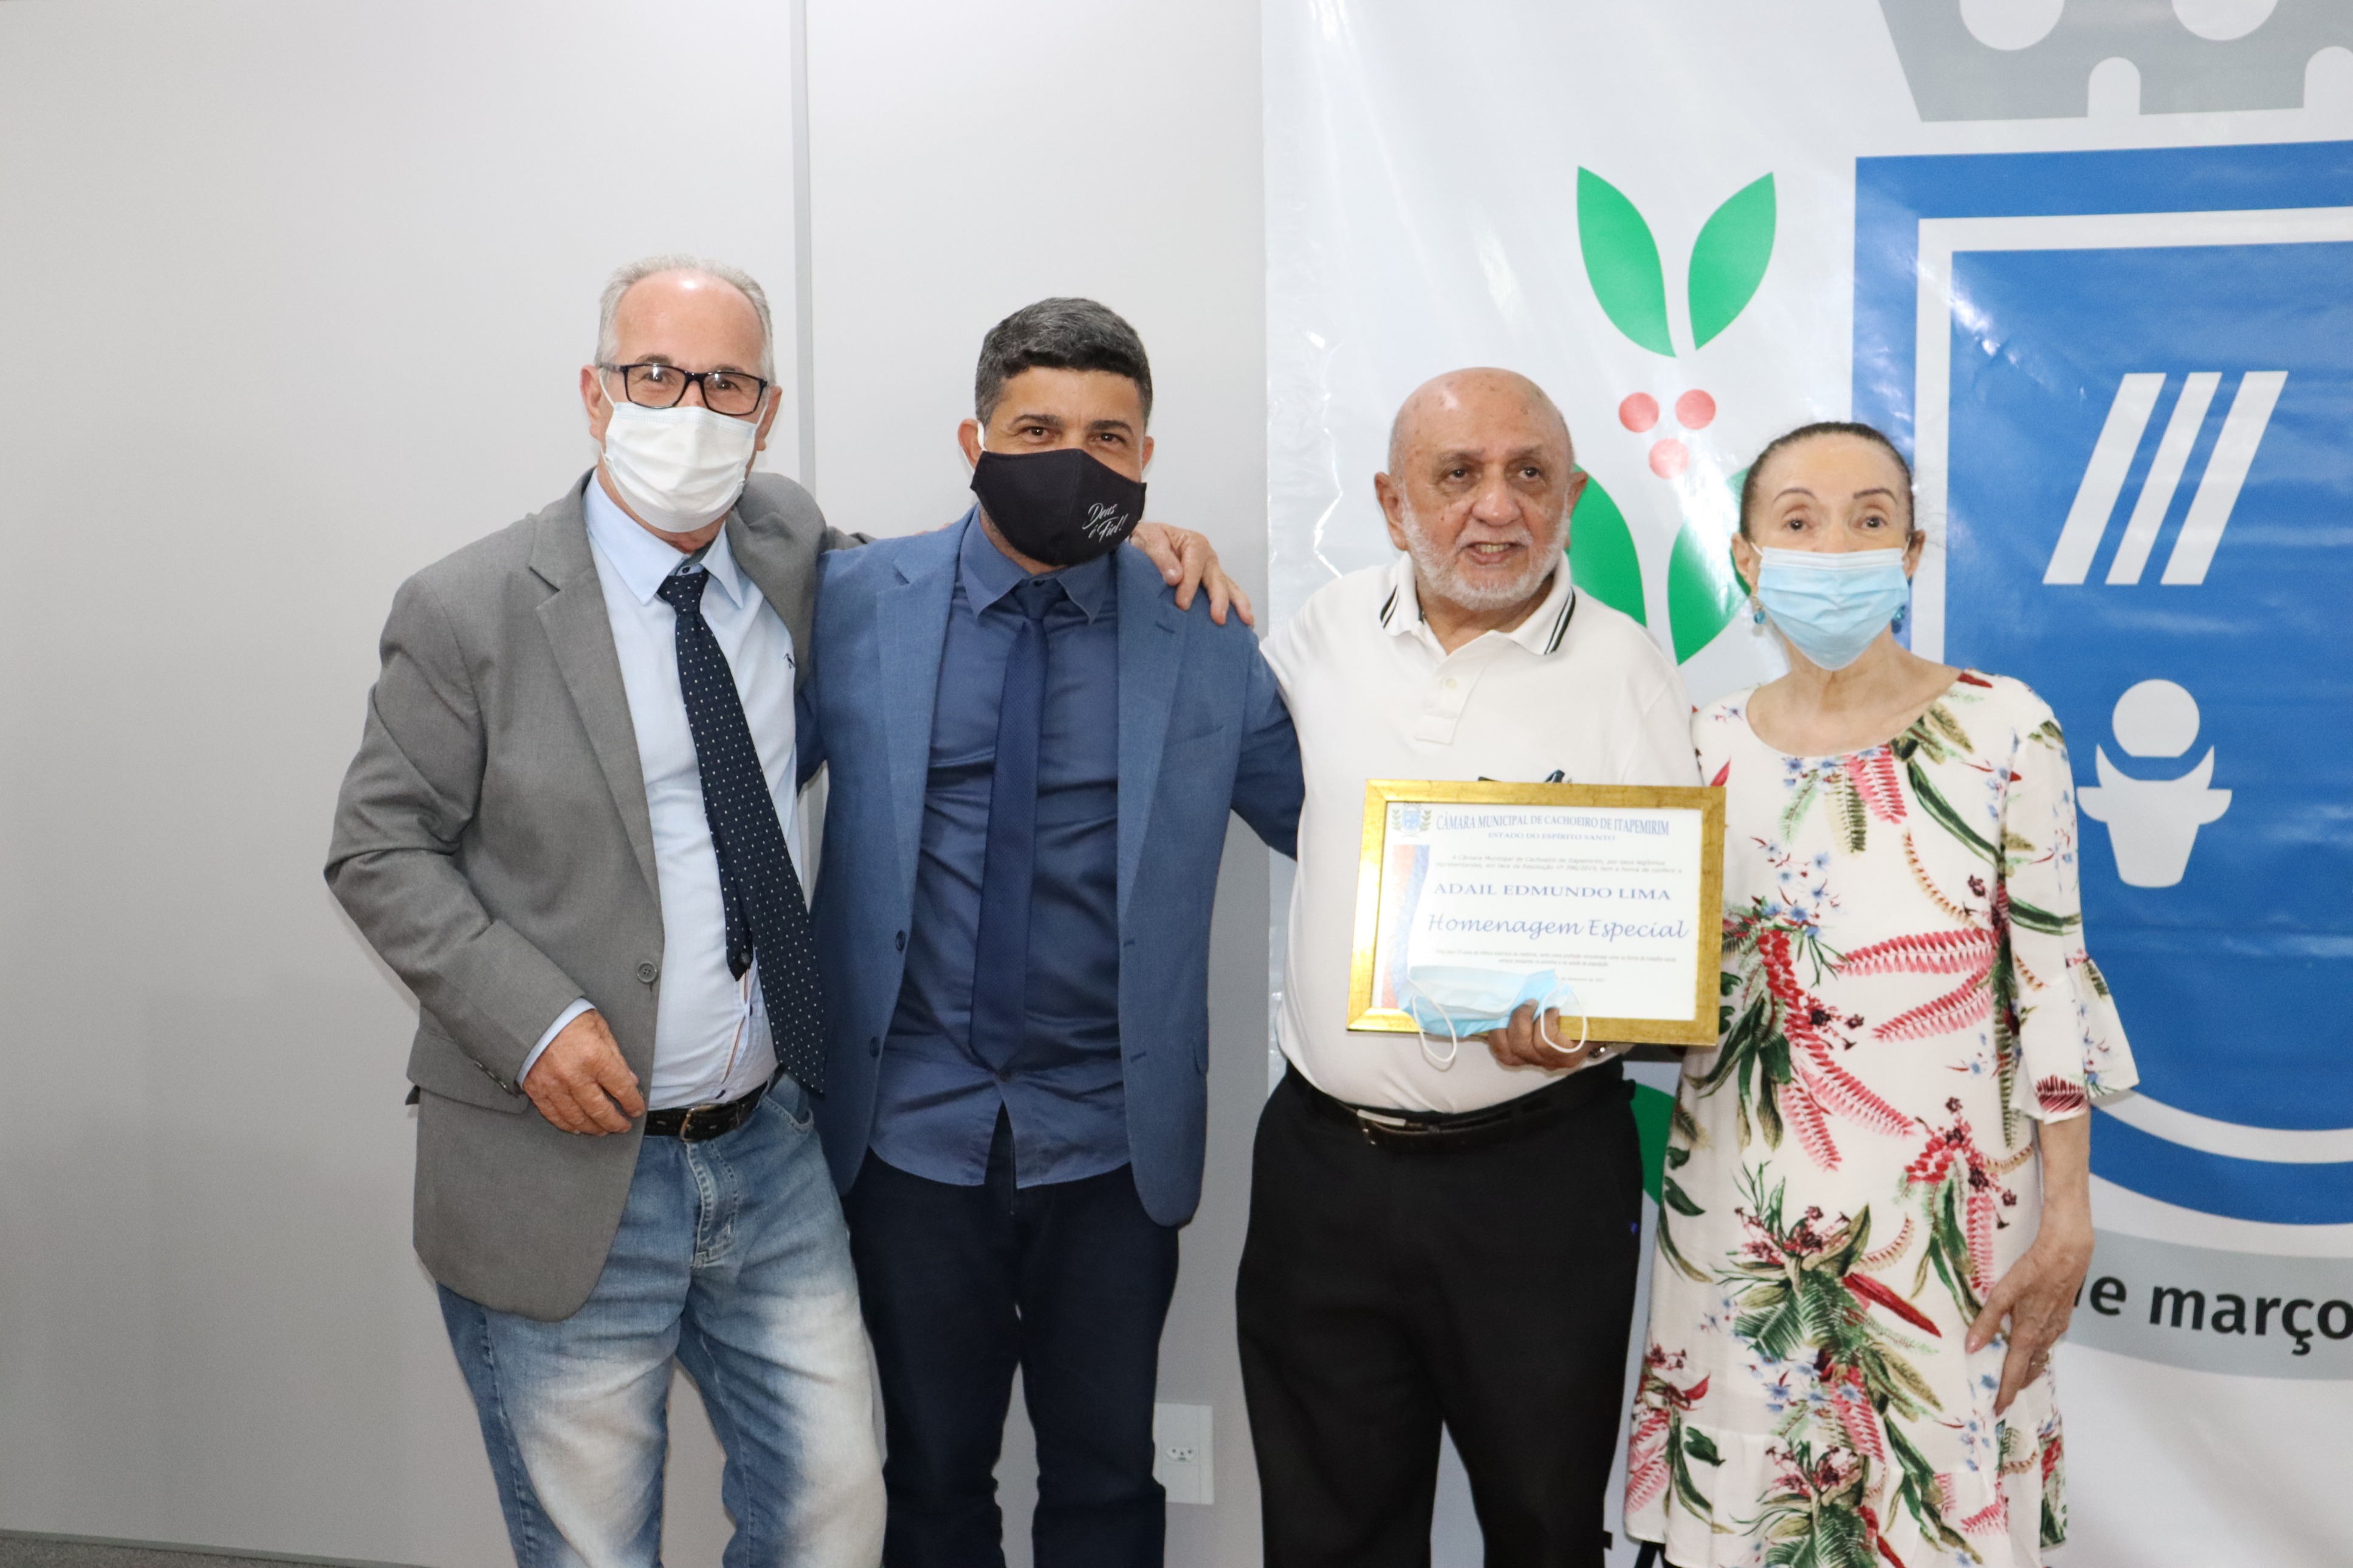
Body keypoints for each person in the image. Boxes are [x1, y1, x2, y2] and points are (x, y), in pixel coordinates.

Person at [325, 259, 1235, 1568]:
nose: (689, 409)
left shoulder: (789, 549)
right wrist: (531, 1022)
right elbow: (377, 847)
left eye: (727, 384)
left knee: (835, 1515)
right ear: (595, 392)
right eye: (656, 375)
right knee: (595, 1545)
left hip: (769, 1150)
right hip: (568, 1157)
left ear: (767, 413)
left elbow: (982, 565)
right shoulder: (468, 608)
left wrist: (1125, 535)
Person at [803, 296, 1304, 1568]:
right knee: (927, 1477)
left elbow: (1335, 825)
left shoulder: (1204, 635)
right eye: (1037, 430)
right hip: (908, 1130)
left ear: (1145, 461)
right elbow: (730, 786)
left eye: (1108, 437)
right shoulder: (852, 603)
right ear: (972, 441)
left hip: (1110, 1141)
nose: (1073, 460)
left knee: (1107, 1481)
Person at [1624, 422, 2136, 1568]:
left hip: (1948, 1234)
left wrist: (2068, 1217)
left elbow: (2053, 986)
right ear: (1747, 558)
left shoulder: (2005, 729)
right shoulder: (1695, 748)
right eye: (1798, 520)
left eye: (1869, 519)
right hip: (1746, 1228)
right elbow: (1660, 976)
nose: (1835, 547)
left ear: (1910, 552)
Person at [1243, 368, 1699, 1567]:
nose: (1496, 508)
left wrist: (1591, 1020)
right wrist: (1161, 550)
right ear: (1392, 502)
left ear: (1573, 497)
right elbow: (1211, 722)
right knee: (1327, 1534)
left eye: (1528, 474)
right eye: (1457, 475)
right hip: (1324, 1174)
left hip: (1537, 1185)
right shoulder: (1325, 630)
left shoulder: (1628, 669)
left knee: (1545, 1530)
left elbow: (1665, 939)